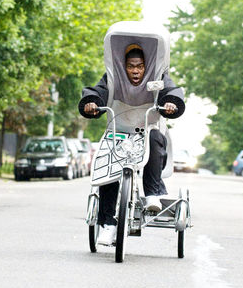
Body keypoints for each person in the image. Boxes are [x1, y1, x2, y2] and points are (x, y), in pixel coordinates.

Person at [79, 44, 185, 245]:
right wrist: (91, 102)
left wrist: (171, 103)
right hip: (119, 131)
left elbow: (171, 91)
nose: (135, 71)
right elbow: (99, 91)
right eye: (130, 66)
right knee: (108, 165)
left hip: (148, 129)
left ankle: (153, 193)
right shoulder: (113, 78)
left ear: (146, 67)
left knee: (154, 139)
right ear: (123, 66)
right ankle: (108, 225)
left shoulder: (158, 78)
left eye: (140, 66)